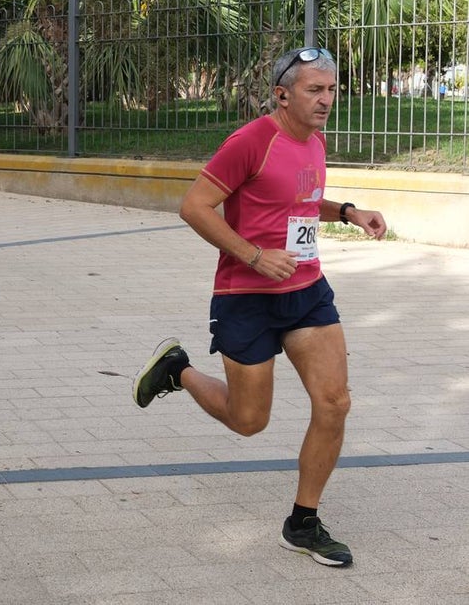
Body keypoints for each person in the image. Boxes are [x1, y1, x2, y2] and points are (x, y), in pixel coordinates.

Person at [133, 46, 388, 569]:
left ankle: (303, 523)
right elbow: (194, 206)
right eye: (314, 90)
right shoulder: (250, 141)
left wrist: (347, 211)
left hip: (307, 292)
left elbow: (296, 200)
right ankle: (178, 370)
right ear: (282, 94)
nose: (326, 100)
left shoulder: (314, 140)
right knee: (249, 420)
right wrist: (253, 255)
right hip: (245, 297)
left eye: (331, 90)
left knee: (335, 402)